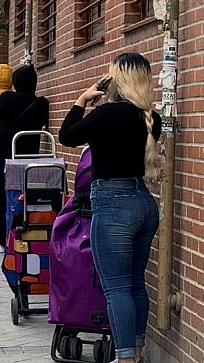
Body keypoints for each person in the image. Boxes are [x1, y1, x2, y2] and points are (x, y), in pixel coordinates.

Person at [58, 52, 161, 363]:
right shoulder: (150, 118)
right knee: (135, 284)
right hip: (143, 203)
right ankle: (137, 353)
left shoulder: (107, 115)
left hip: (114, 206)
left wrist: (81, 100)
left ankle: (126, 359)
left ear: (117, 79)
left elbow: (67, 136)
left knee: (116, 288)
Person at [0, 65, 49, 253]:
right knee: (24, 195)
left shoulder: (6, 98)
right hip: (28, 154)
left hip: (1, 150)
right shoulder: (41, 103)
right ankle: (24, 234)